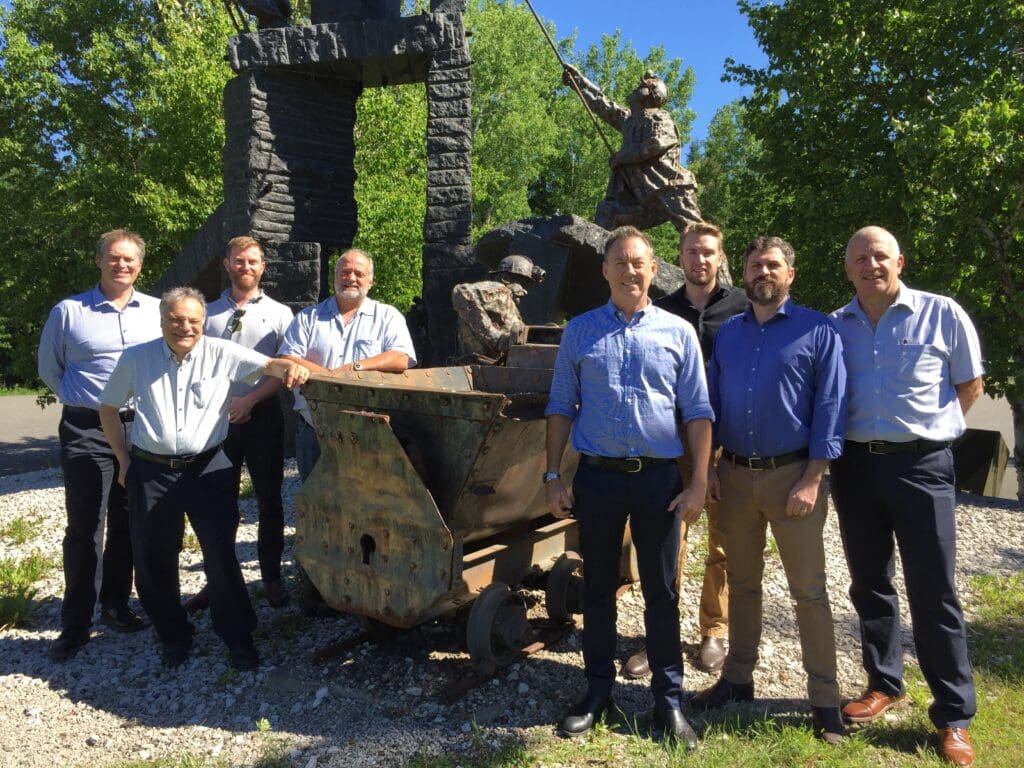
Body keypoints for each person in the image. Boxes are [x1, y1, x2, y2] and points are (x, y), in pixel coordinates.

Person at [544, 226, 712, 749]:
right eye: (620, 262)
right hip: (596, 479)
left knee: (661, 593)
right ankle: (597, 691)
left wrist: (700, 482)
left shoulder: (678, 332)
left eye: (639, 262)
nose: (630, 270)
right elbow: (560, 407)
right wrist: (553, 475)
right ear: (605, 269)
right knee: (597, 590)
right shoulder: (580, 332)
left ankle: (669, 701)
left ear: (653, 268)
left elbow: (699, 412)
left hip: (658, 482)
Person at [830, 226, 982, 767]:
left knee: (934, 589)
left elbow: (970, 384)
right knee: (870, 583)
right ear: (847, 269)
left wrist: (933, 431)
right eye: (859, 258)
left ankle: (954, 716)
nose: (871, 265)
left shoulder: (942, 313)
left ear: (899, 260)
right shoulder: (834, 327)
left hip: (923, 466)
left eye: (879, 256)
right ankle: (884, 683)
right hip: (855, 468)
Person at [98, 287, 310, 670]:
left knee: (221, 554)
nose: (186, 327)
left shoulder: (221, 351)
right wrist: (123, 461)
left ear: (202, 322)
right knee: (154, 557)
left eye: (194, 320)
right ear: (162, 320)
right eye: (177, 319)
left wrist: (293, 367)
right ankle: (173, 635)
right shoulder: (137, 358)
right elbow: (108, 408)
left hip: (210, 468)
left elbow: (269, 366)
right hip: (152, 469)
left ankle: (238, 638)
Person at [691, 236, 847, 746]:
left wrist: (813, 477)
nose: (764, 272)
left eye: (774, 265)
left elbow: (831, 407)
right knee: (743, 583)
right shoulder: (730, 335)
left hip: (794, 478)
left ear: (790, 275)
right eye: (756, 265)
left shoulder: (819, 330)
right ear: (745, 272)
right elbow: (709, 405)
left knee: (808, 592)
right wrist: (709, 466)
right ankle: (738, 679)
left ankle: (824, 699)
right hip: (733, 477)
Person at [623, 222, 747, 680]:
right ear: (681, 256)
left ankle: (713, 630)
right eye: (692, 251)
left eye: (708, 252)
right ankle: (661, 635)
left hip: (725, 443)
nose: (699, 260)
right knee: (665, 544)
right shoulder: (663, 309)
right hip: (669, 442)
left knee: (722, 542)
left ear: (720, 258)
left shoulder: (740, 310)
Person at [37, 229, 162, 662]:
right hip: (87, 429)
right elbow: (50, 370)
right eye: (113, 257)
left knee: (129, 522)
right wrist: (86, 403)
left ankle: (115, 604)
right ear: (99, 261)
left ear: (140, 265)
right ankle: (75, 622)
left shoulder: (156, 311)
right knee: (85, 526)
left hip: (139, 428)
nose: (121, 265)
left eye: (129, 259)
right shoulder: (69, 312)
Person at [185, 236, 295, 613]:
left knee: (269, 501)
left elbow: (285, 368)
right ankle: (218, 580)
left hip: (263, 415)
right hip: (215, 420)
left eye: (253, 261)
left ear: (263, 267)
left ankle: (271, 578)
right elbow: (194, 365)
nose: (245, 267)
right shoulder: (206, 312)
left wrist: (249, 400)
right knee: (219, 504)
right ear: (226, 264)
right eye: (238, 261)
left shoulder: (281, 315)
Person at [278, 248, 417, 483]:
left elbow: (401, 357)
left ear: (370, 280)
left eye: (358, 273)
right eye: (345, 272)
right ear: (335, 277)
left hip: (369, 429)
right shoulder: (308, 318)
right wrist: (332, 377)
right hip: (314, 428)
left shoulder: (387, 317)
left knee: (367, 501)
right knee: (317, 502)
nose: (351, 278)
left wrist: (355, 368)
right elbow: (288, 358)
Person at [562, 66, 703, 236]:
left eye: (641, 86)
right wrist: (578, 81)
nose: (636, 88)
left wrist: (621, 157)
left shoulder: (658, 117)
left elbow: (654, 145)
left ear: (651, 94)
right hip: (640, 198)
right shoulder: (630, 120)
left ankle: (716, 262)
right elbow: (602, 104)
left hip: (668, 190)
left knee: (697, 234)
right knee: (608, 213)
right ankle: (600, 259)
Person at [452, 254, 546, 363]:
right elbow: (462, 292)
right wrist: (496, 338)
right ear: (505, 279)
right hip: (481, 367)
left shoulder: (509, 305)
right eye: (523, 284)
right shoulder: (500, 289)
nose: (525, 291)